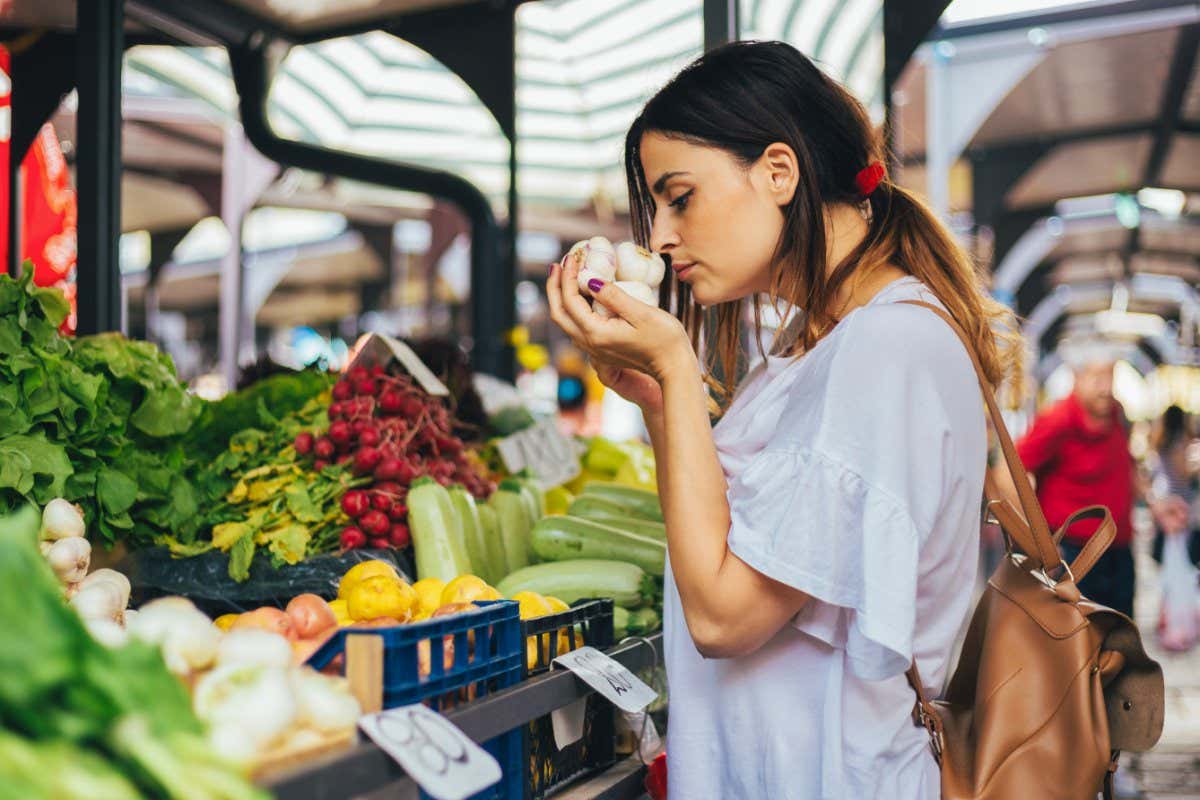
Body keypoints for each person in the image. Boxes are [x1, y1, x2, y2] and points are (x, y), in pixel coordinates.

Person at [546, 41, 1019, 798]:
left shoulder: (885, 346)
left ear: (777, 171)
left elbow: (725, 618)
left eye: (680, 197)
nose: (661, 238)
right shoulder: (813, 345)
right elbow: (725, 541)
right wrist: (662, 402)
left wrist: (673, 360)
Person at [1006, 346, 1186, 620]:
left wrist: (1156, 504)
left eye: (1110, 377)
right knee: (1076, 646)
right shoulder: (1058, 420)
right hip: (1073, 556)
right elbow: (1010, 472)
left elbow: (1127, 469)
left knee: (1121, 638)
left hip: (1119, 552)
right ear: (1077, 378)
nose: (1105, 387)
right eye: (1097, 377)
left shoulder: (1117, 414)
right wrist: (1033, 539)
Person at [1149, 404, 1200, 567]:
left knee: (1172, 552)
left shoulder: (1162, 440)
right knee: (1181, 551)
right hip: (1181, 500)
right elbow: (1183, 472)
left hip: (1167, 495)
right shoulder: (1178, 442)